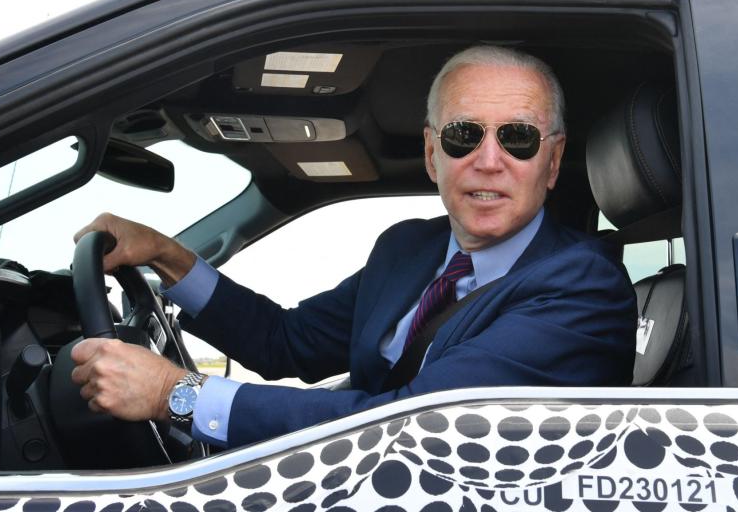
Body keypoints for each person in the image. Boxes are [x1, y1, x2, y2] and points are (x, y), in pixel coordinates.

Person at [70, 46, 637, 448]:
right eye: (464, 134)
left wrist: (177, 394)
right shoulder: (408, 250)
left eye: (518, 137)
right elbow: (284, 342)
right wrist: (165, 253)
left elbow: (409, 427)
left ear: (553, 161)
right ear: (433, 154)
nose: (489, 160)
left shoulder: (584, 290)